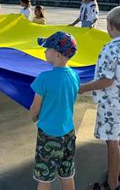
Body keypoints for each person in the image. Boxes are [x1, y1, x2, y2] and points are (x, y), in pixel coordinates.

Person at [79, 6, 120, 190]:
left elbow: (106, 81)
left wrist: (83, 88)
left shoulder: (110, 49)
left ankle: (111, 184)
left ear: (110, 25)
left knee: (112, 142)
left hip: (112, 103)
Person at [29, 31, 79, 190]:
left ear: (57, 54)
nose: (44, 51)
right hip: (68, 133)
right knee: (67, 173)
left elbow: (35, 107)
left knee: (45, 178)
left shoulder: (44, 78)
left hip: (48, 135)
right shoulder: (74, 75)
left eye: (47, 48)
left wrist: (33, 116)